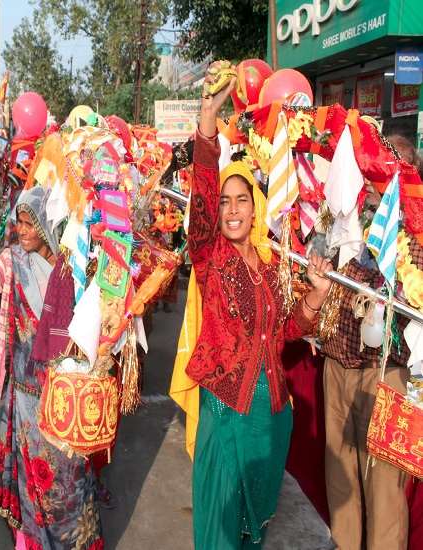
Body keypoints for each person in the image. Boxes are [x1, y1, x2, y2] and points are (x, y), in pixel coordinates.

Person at [176, 63, 333, 550]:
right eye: (226, 202)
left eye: (241, 200)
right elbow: (202, 200)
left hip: (271, 417)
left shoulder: (269, 265)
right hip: (226, 411)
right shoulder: (210, 255)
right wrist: (208, 117)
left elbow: (283, 330)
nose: (231, 210)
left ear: (255, 206)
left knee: (252, 533)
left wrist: (314, 296)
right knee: (221, 529)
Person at [0, 185, 103, 549]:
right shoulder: (12, 261)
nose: (21, 230)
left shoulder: (73, 263)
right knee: (33, 483)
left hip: (66, 397)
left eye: (29, 223)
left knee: (68, 479)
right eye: (19, 223)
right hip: (26, 398)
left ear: (46, 224)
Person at [320, 135, 418, 550]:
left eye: (391, 169)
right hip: (337, 363)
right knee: (340, 485)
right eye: (374, 168)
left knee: (384, 495)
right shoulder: (349, 215)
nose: (379, 179)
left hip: (387, 376)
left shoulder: (416, 233)